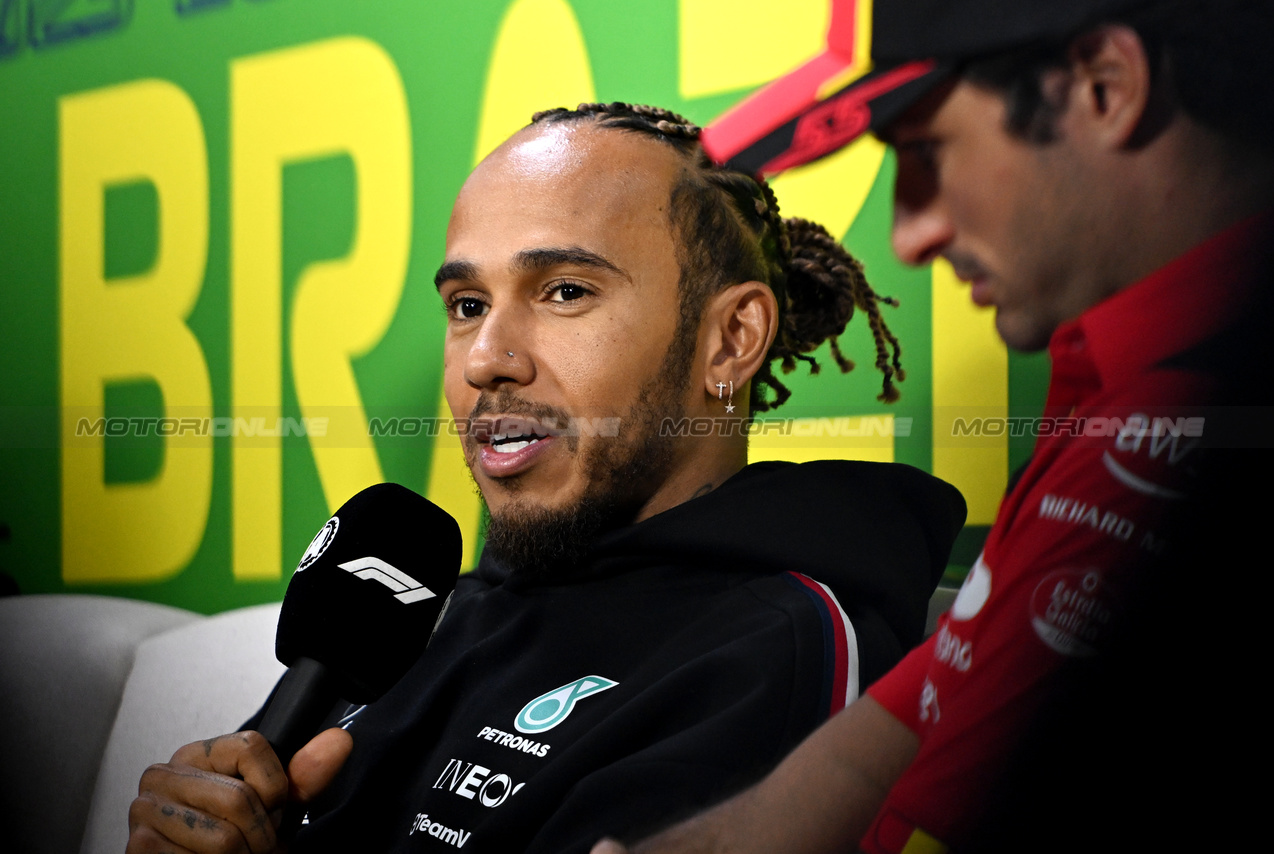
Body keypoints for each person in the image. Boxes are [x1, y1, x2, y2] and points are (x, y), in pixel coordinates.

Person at [125, 103, 967, 854]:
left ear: (729, 341)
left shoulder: (778, 654)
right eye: (466, 304)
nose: (487, 358)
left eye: (564, 290)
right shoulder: (406, 616)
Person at [597, 1, 1274, 852]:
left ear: (1107, 87)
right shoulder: (1118, 386)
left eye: (925, 152)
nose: (909, 235)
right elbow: (896, 733)